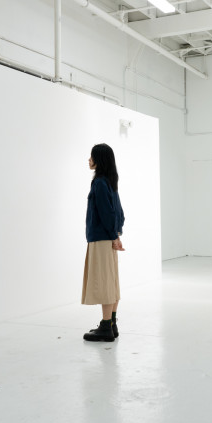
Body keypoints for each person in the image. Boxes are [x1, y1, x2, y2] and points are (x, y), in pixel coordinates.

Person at [82, 143, 125, 342]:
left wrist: (114, 235)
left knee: (105, 282)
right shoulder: (110, 181)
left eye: (91, 156)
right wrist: (117, 234)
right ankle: (112, 324)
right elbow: (119, 212)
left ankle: (106, 326)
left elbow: (107, 213)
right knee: (112, 281)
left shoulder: (99, 183)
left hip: (101, 238)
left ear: (99, 160)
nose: (89, 160)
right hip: (108, 238)